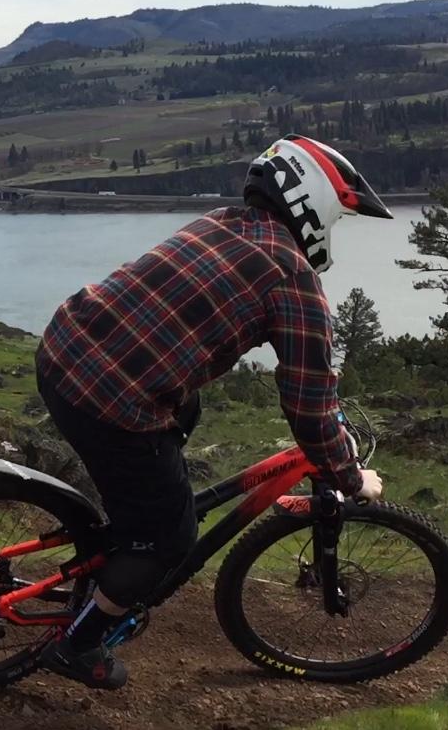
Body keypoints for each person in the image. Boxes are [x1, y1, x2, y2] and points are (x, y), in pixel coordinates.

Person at [35, 134, 392, 690]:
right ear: (312, 204)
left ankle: (133, 530)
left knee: (179, 423)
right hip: (111, 398)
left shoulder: (224, 221)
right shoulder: (293, 279)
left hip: (65, 346)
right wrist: (348, 475)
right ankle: (78, 644)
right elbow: (311, 403)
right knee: (171, 543)